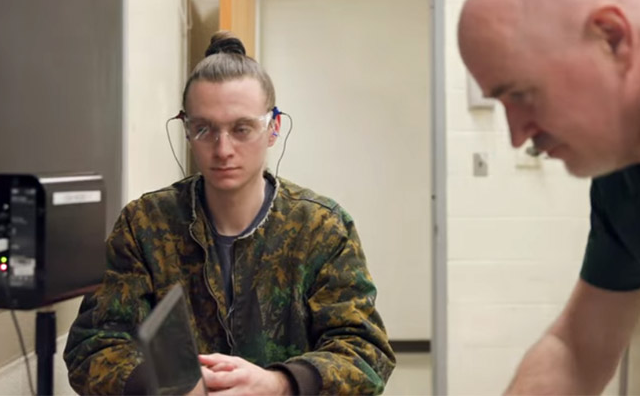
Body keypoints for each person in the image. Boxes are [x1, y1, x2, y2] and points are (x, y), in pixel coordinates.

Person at [63, 31, 395, 395]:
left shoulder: (321, 227)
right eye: (204, 129)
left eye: (242, 129)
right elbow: (92, 348)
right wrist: (168, 387)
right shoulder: (145, 225)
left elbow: (365, 353)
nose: (223, 149)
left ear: (273, 128)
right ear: (186, 129)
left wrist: (279, 384)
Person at [457, 0, 640, 393]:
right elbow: (576, 349)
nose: (517, 135)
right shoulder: (627, 172)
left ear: (611, 36)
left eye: (522, 94)